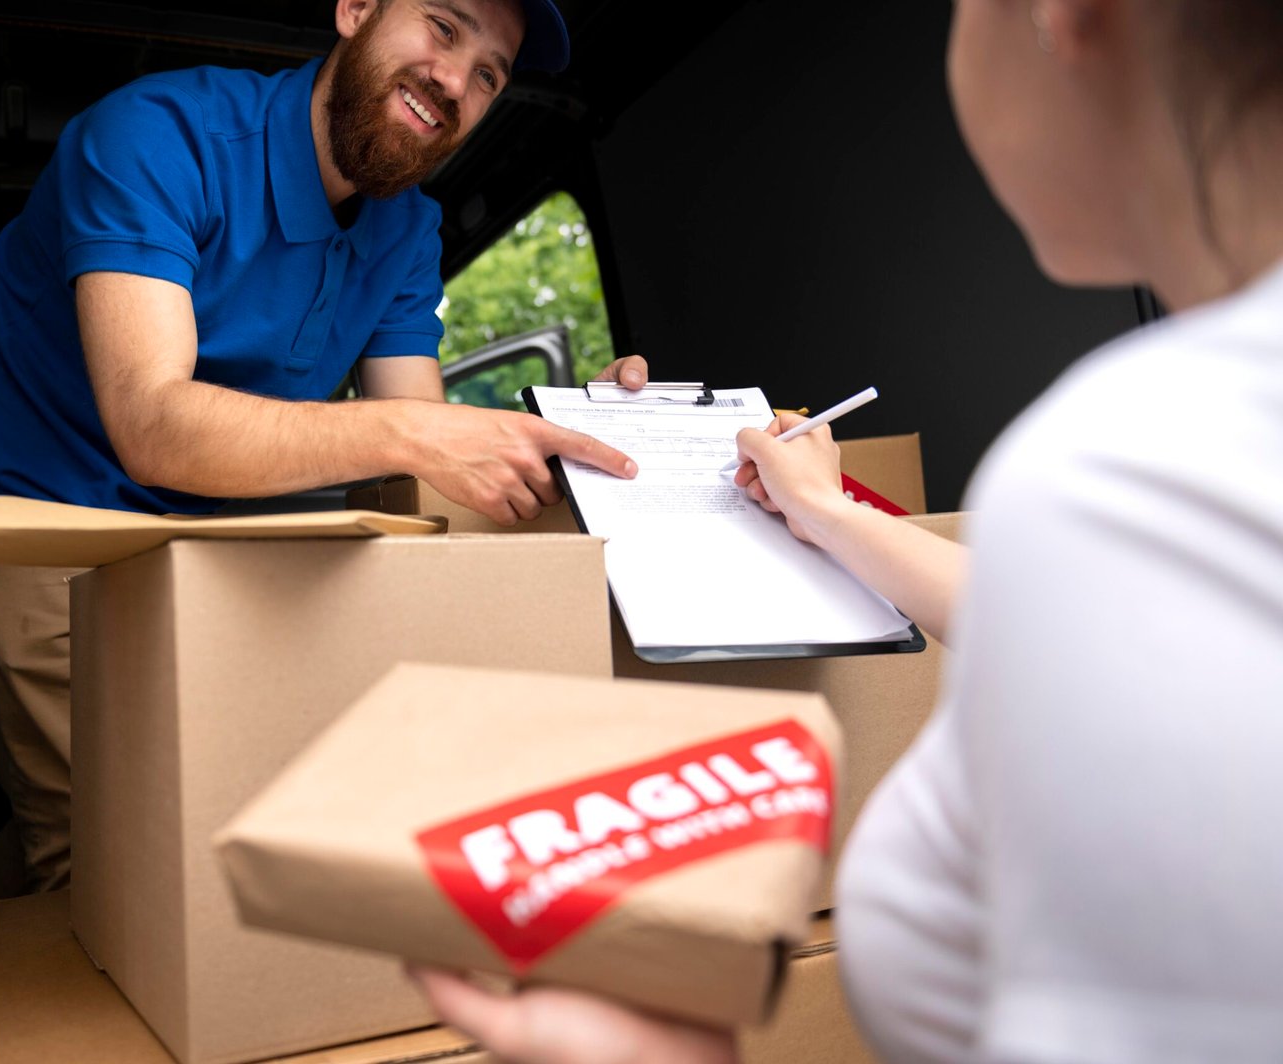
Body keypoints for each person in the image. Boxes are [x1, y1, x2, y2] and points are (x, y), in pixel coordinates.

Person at [412, 0, 1283, 1060]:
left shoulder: (1122, 475)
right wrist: (822, 511)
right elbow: (1049, 626)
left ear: (1064, 17)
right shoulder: (1186, 474)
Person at [0, 0, 648, 895]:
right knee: (106, 850)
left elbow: (421, 454)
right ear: (356, 10)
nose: (456, 81)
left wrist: (591, 439)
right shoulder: (157, 136)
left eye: (491, 73)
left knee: (211, 814)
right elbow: (153, 423)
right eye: (444, 27)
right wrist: (412, 434)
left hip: (202, 519)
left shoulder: (408, 228)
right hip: (28, 500)